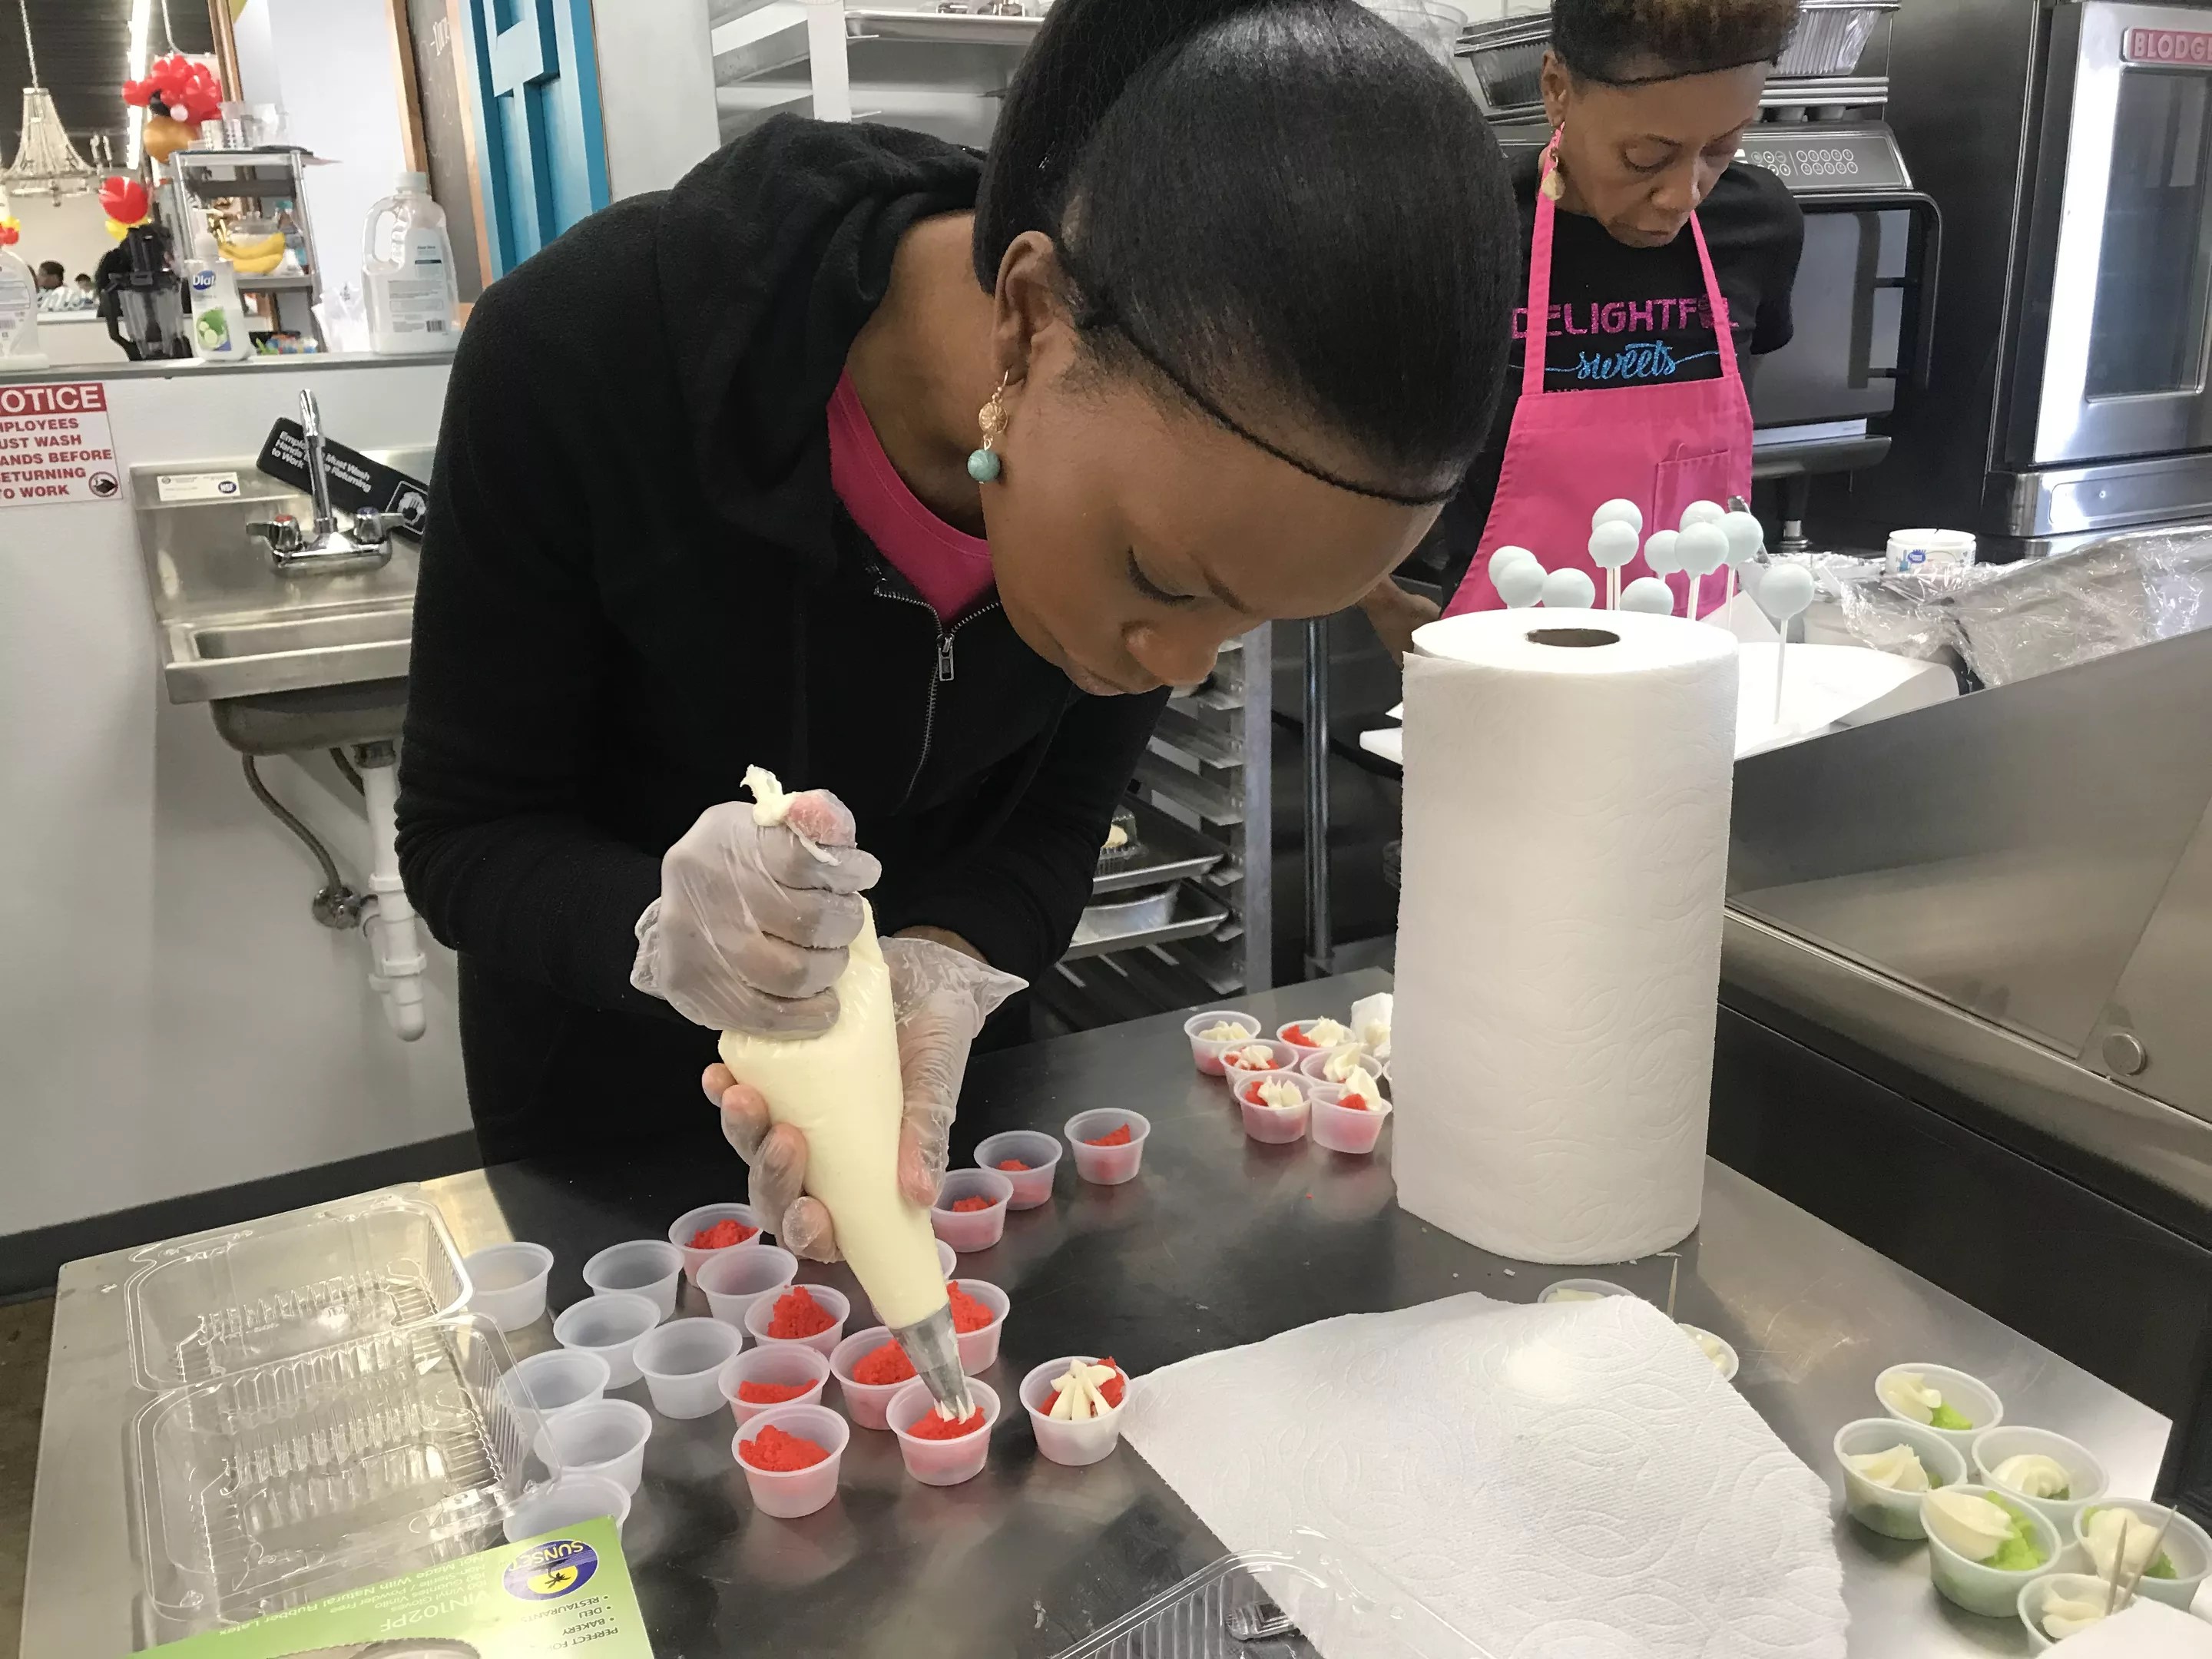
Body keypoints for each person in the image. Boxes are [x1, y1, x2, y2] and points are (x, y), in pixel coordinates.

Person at [397, 0, 1517, 1255]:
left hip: (938, 1123)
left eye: (1251, 618)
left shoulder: (1167, 450)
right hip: (611, 1147)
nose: (1182, 660)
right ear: (1029, 320)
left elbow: (1055, 822)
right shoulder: (583, 355)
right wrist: (662, 929)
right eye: (1165, 579)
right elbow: (464, 833)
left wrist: (945, 965)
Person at [1357, 0, 1805, 652]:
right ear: (1557, 90)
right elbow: (1342, 441)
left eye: (1722, 148)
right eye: (1646, 156)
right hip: (1504, 656)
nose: (1684, 194)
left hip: (1700, 653)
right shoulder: (1463, 235)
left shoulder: (1758, 226)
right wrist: (1379, 598)